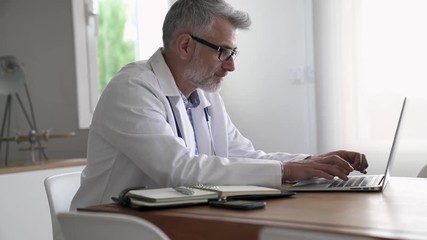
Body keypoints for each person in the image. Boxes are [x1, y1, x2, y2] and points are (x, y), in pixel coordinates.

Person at [70, 0, 368, 210]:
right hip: (110, 227)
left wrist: (311, 163)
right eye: (224, 52)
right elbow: (182, 170)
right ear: (185, 45)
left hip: (169, 220)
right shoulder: (132, 90)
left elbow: (243, 156)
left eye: (234, 53)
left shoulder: (205, 93)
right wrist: (287, 170)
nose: (231, 66)